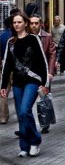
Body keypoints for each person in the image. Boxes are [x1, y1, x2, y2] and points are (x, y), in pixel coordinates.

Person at [0, 12, 48, 157]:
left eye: (19, 22)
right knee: (21, 116)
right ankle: (24, 146)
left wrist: (44, 82)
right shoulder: (11, 42)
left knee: (25, 110)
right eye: (15, 23)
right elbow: (7, 65)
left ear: (25, 23)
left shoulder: (33, 39)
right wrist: (3, 86)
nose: (17, 25)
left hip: (33, 81)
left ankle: (35, 141)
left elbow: (42, 61)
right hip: (18, 83)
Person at [29, 14, 56, 134]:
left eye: (36, 23)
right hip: (29, 74)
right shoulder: (25, 37)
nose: (34, 25)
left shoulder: (47, 36)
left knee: (44, 100)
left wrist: (50, 72)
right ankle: (25, 126)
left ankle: (45, 124)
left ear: (40, 24)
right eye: (31, 23)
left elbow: (52, 54)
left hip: (44, 74)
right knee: (27, 101)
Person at [0, 8, 21, 124]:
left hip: (4, 68)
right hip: (16, 68)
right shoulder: (16, 36)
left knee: (3, 92)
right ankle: (20, 117)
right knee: (18, 94)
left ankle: (3, 117)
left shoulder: (1, 36)